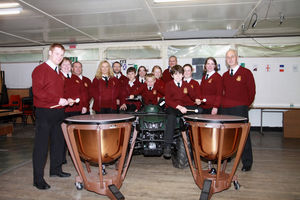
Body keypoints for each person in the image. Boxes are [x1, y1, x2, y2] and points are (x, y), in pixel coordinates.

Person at [32, 43, 71, 190]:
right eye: (57, 54)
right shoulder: (40, 69)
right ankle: (38, 179)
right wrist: (57, 100)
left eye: (61, 55)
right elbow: (37, 92)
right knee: (41, 147)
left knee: (58, 143)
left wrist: (66, 100)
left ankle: (55, 170)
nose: (59, 57)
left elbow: (58, 94)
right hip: (44, 112)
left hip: (58, 112)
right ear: (49, 53)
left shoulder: (58, 73)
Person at [221, 49, 256, 172]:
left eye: (232, 56)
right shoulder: (224, 75)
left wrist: (244, 105)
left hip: (240, 109)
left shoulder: (246, 73)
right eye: (227, 57)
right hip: (226, 110)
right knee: (227, 135)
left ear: (237, 58)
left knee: (244, 136)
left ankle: (247, 162)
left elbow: (252, 92)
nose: (230, 59)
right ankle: (227, 157)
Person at [164, 65, 201, 158]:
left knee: (198, 112)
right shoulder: (168, 84)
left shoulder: (186, 85)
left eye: (180, 74)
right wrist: (179, 107)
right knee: (171, 117)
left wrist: (197, 99)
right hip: (172, 107)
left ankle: (195, 143)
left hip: (183, 108)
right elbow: (168, 100)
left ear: (183, 75)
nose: (178, 76)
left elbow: (193, 95)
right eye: (175, 74)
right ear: (172, 75)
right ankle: (167, 146)